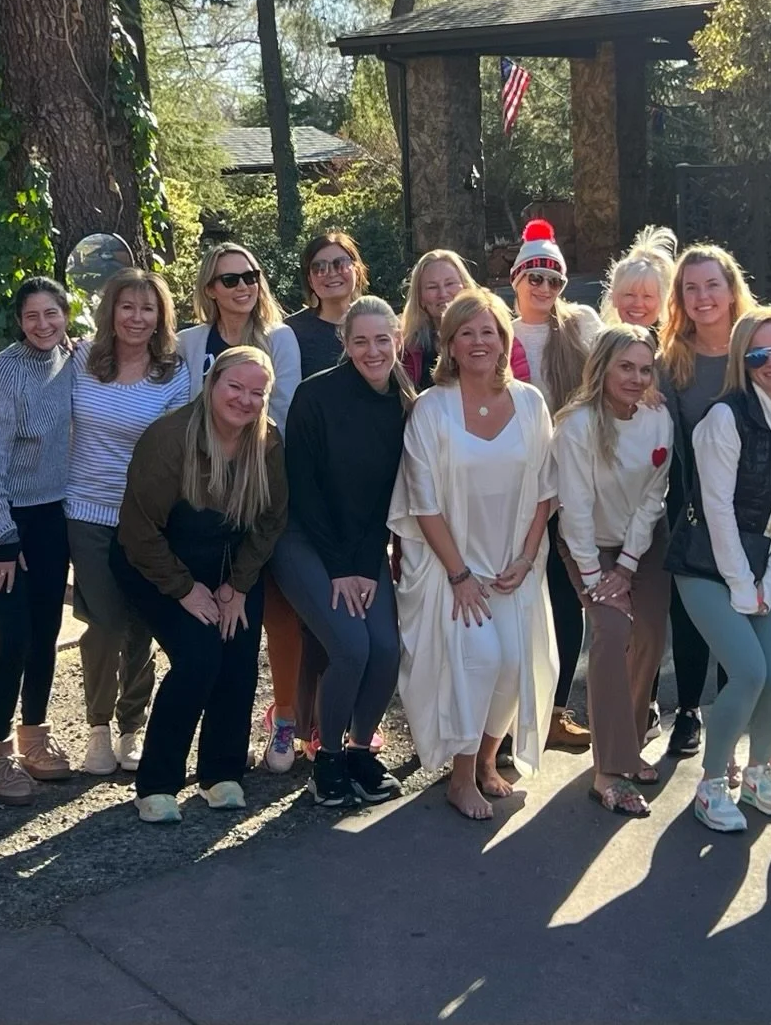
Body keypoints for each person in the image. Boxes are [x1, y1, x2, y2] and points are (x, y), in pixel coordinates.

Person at [389, 289, 559, 821]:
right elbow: (423, 502)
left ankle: (486, 761)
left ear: (504, 341)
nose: (479, 341)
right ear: (450, 345)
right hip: (451, 567)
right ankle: (459, 780)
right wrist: (459, 574)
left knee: (514, 666)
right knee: (481, 659)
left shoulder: (530, 403)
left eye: (489, 331)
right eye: (466, 333)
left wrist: (527, 558)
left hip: (512, 564)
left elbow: (545, 490)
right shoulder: (431, 409)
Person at [113, 347, 288, 820]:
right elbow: (138, 532)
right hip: (155, 564)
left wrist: (238, 587)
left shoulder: (267, 442)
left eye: (257, 392)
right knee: (199, 656)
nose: (245, 400)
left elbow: (271, 521)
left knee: (239, 652)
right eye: (235, 387)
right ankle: (157, 783)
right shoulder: (169, 439)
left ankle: (221, 773)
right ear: (212, 384)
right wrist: (185, 589)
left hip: (228, 567)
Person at [668, 308, 771, 832]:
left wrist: (770, 582)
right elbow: (715, 509)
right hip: (705, 564)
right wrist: (741, 584)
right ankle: (712, 784)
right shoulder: (724, 418)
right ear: (743, 360)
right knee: (749, 672)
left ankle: (758, 775)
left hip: (766, 567)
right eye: (759, 354)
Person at [271, 296, 409, 807]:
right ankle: (326, 757)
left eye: (382, 340)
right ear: (345, 344)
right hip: (305, 540)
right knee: (352, 647)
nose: (373, 351)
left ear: (397, 340)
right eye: (360, 341)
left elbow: (389, 497)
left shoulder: (403, 403)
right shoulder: (316, 395)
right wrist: (339, 568)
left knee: (387, 650)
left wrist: (366, 564)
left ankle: (358, 751)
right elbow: (304, 490)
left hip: (362, 546)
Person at [179, 242, 305, 774]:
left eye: (250, 276)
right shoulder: (190, 342)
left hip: (260, 489)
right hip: (203, 496)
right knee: (214, 617)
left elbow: (284, 412)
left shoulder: (279, 338)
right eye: (229, 279)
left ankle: (285, 719)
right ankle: (218, 737)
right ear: (210, 288)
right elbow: (182, 407)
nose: (243, 286)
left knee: (274, 612)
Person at [67, 268, 193, 778]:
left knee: (141, 623)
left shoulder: (174, 373)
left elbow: (178, 448)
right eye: (127, 306)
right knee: (105, 622)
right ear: (111, 312)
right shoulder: (80, 360)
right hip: (86, 511)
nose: (136, 318)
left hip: (145, 516)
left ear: (160, 316)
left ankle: (130, 727)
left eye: (147, 308)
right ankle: (98, 726)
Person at [0, 277, 78, 805]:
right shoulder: (2, 374)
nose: (42, 325)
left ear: (65, 315)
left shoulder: (71, 360)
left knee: (46, 632)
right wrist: (3, 540)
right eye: (32, 316)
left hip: (51, 514)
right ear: (18, 321)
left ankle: (35, 736)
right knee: (14, 637)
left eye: (51, 314)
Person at [554, 325, 674, 817]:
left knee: (649, 635)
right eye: (625, 367)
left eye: (645, 369)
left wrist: (626, 567)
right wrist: (596, 578)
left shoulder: (658, 419)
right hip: (586, 544)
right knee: (610, 629)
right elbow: (575, 511)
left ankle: (628, 746)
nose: (636, 378)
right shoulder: (576, 426)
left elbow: (653, 498)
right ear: (602, 368)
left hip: (640, 545)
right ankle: (607, 770)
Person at [656, 244, 756, 759]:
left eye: (712, 284)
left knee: (739, 610)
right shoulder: (671, 360)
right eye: (690, 288)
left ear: (732, 289)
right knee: (692, 611)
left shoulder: (756, 347)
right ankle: (689, 710)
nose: (703, 297)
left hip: (754, 506)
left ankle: (729, 715)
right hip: (693, 505)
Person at [508, 219, 603, 753]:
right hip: (517, 485)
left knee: (567, 596)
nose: (544, 288)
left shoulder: (579, 326)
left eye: (554, 279)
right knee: (520, 593)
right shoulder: (500, 330)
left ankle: (557, 710)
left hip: (568, 481)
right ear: (517, 278)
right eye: (535, 276)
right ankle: (512, 714)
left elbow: (613, 370)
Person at [400, 248, 529, 389]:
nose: (443, 293)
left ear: (466, 286)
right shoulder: (408, 352)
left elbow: (521, 394)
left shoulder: (501, 338)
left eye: (450, 283)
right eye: (432, 287)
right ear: (420, 298)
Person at [286, 231, 368, 379]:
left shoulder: (378, 323)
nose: (331, 273)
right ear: (310, 280)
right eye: (319, 268)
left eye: (341, 264)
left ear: (357, 271)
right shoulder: (291, 332)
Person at [600, 226, 678, 329]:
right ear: (614, 297)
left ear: (662, 300)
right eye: (629, 295)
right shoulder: (604, 339)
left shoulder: (675, 339)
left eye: (647, 296)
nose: (638, 304)